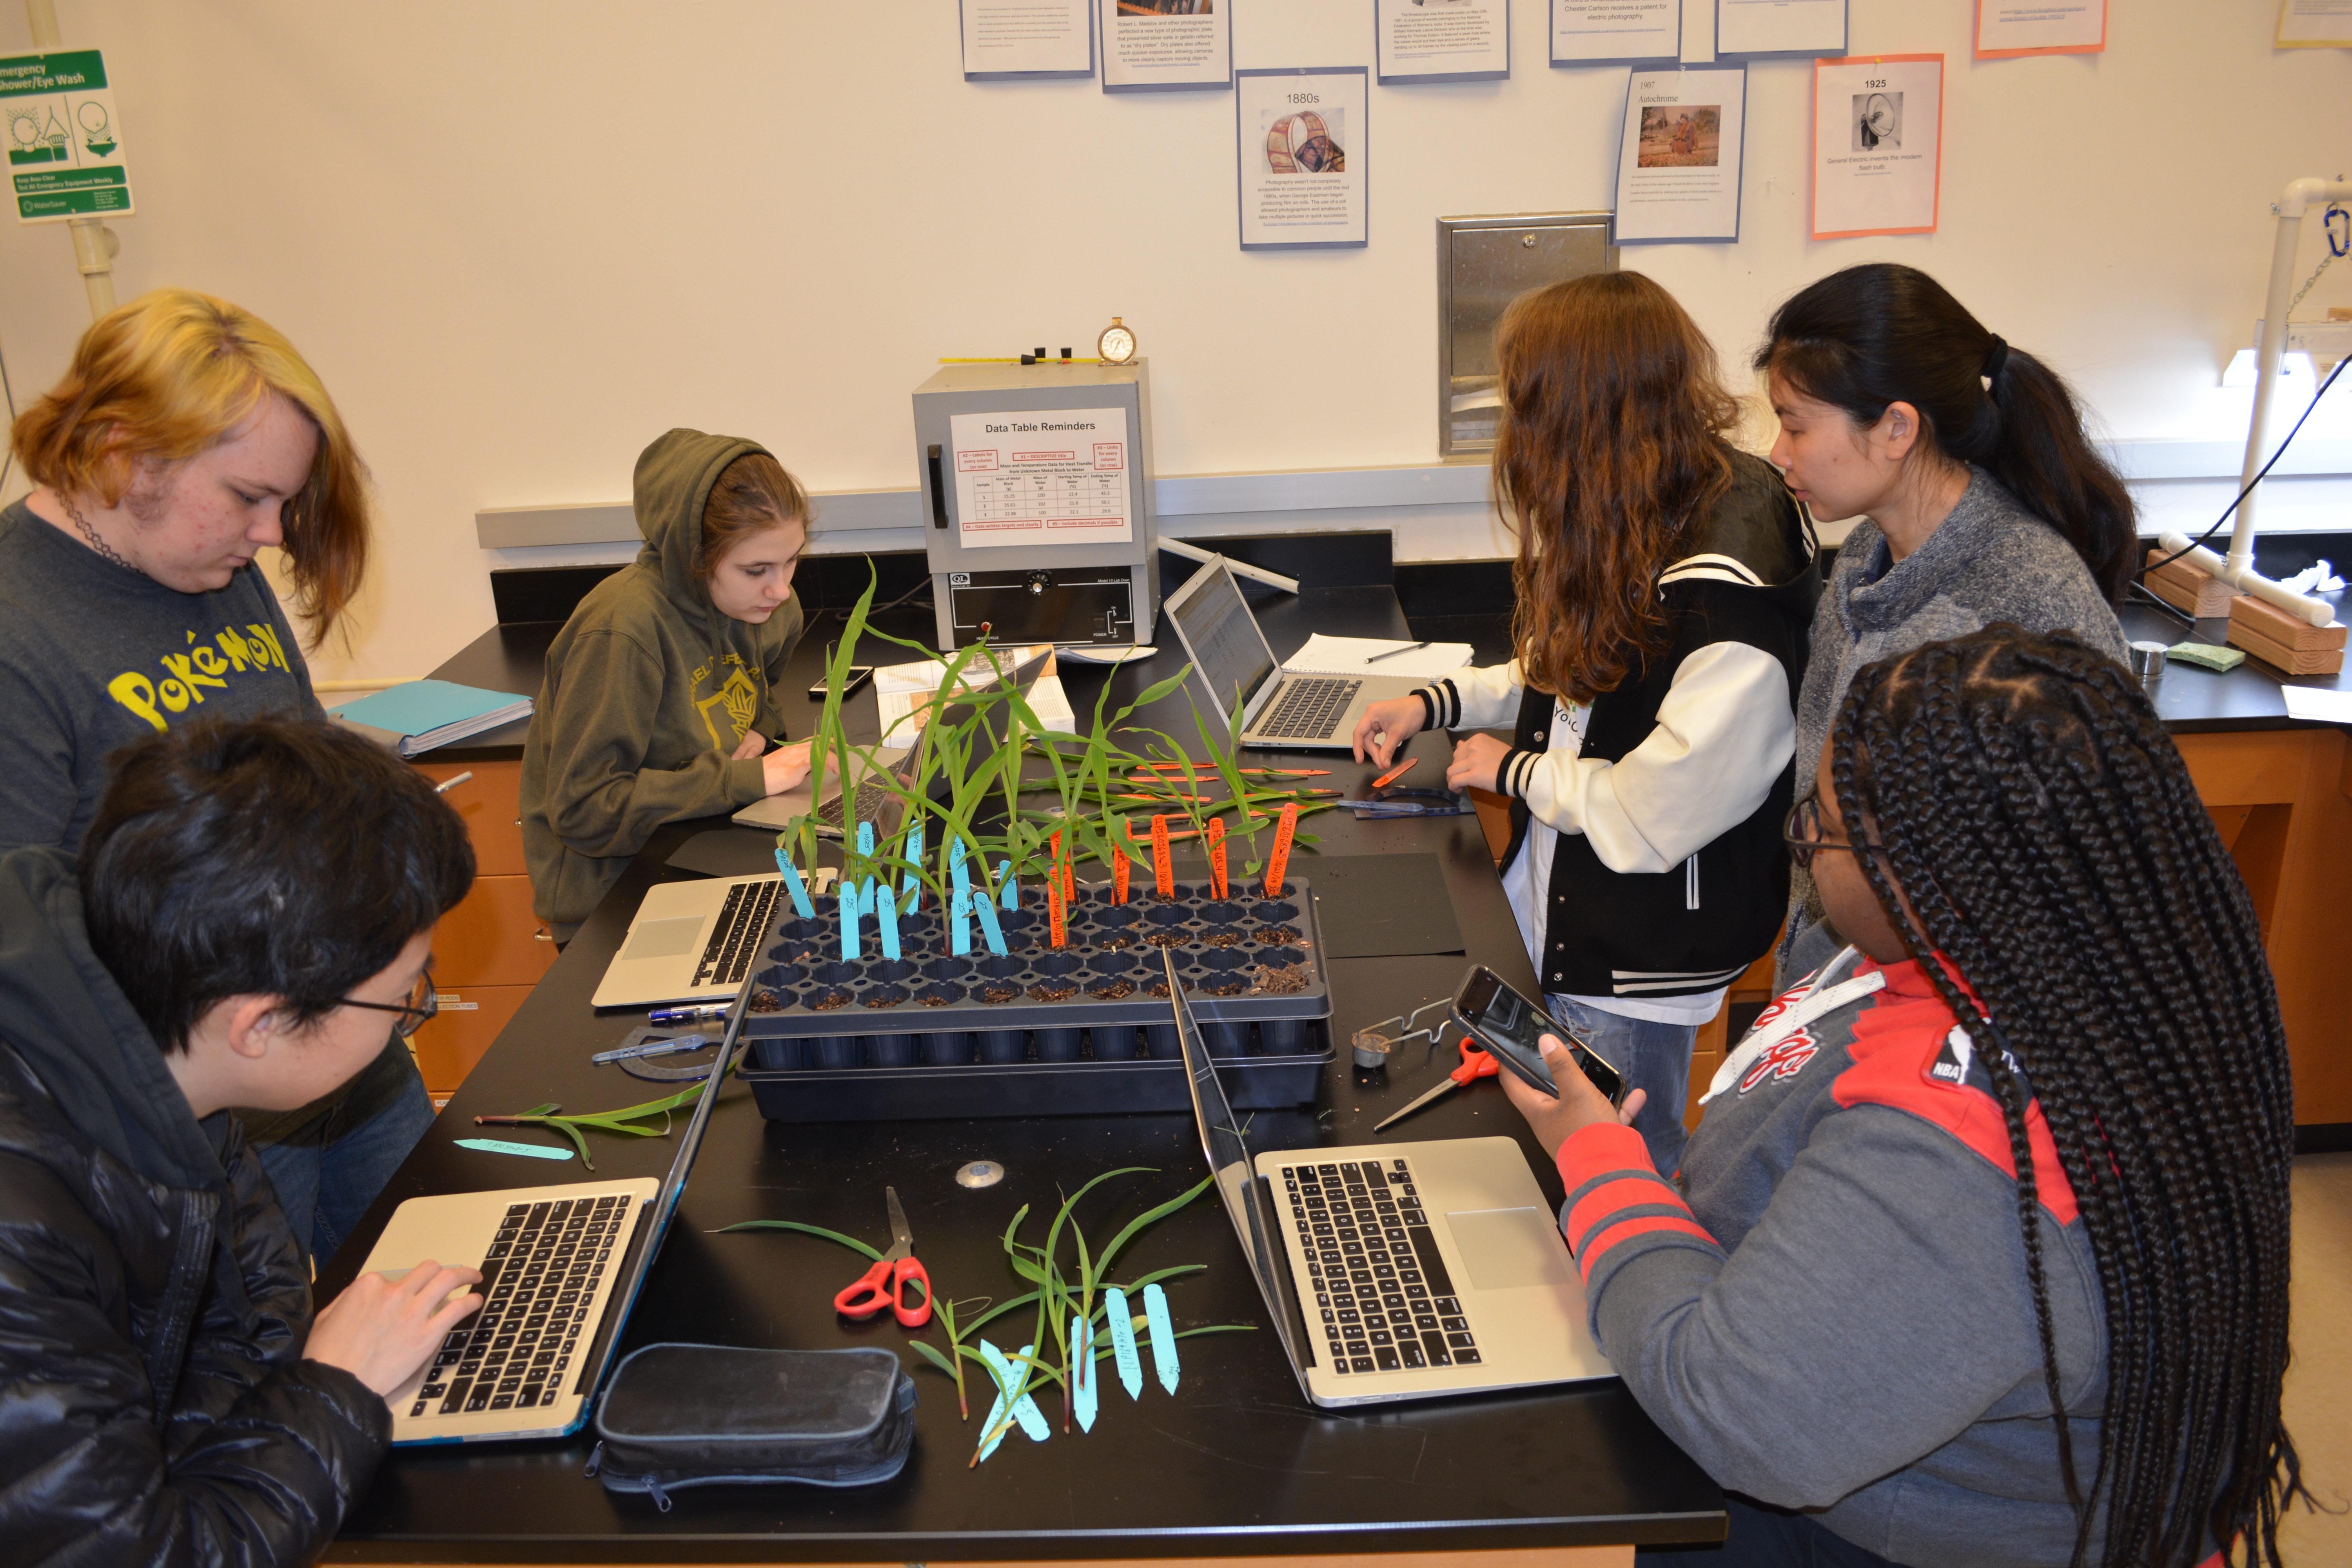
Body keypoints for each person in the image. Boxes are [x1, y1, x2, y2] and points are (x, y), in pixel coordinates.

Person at [1504, 627, 2303, 1568]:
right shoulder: (2073, 954)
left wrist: (1598, 1163)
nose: (1802, 840)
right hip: (1853, 1440)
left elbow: (1734, 1410)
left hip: (1870, 1520)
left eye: (1821, 828)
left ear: (1926, 874)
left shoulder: (1965, 1144)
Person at [0, 286, 432, 1263]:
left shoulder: (217, 573)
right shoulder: (19, 628)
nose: (274, 535)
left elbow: (307, 792)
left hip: (347, 1055)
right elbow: (27, 960)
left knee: (435, 1318)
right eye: (248, 496)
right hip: (194, 1124)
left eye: (285, 500)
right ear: (122, 452)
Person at [1353, 272, 1816, 1174]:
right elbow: (1586, 671)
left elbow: (1652, 813)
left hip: (1636, 951)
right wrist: (1441, 701)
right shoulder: (1653, 498)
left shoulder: (1732, 587)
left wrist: (1512, 771)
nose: (1513, 433)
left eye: (1525, 405)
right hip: (1570, 904)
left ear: (1585, 414)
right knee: (1560, 1157)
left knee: (1622, 1168)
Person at [0, 716, 486, 1563]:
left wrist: (295, 1389)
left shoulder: (157, 1041)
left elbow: (257, 1305)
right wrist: (332, 1387)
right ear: (259, 1022)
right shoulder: (21, 1233)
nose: (409, 1020)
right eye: (405, 996)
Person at [1755, 263, 2131, 985]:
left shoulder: (2025, 601)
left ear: (1897, 428)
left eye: (1795, 426)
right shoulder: (1870, 553)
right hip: (1840, 975)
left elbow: (2073, 884)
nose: (1778, 453)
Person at [520, 428, 815, 940]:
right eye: (756, 569)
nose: (781, 587)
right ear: (694, 556)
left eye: (792, 559)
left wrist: (763, 732)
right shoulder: (622, 633)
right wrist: (749, 780)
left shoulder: (771, 611)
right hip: (614, 897)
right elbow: (584, 810)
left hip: (700, 848)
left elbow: (758, 695)